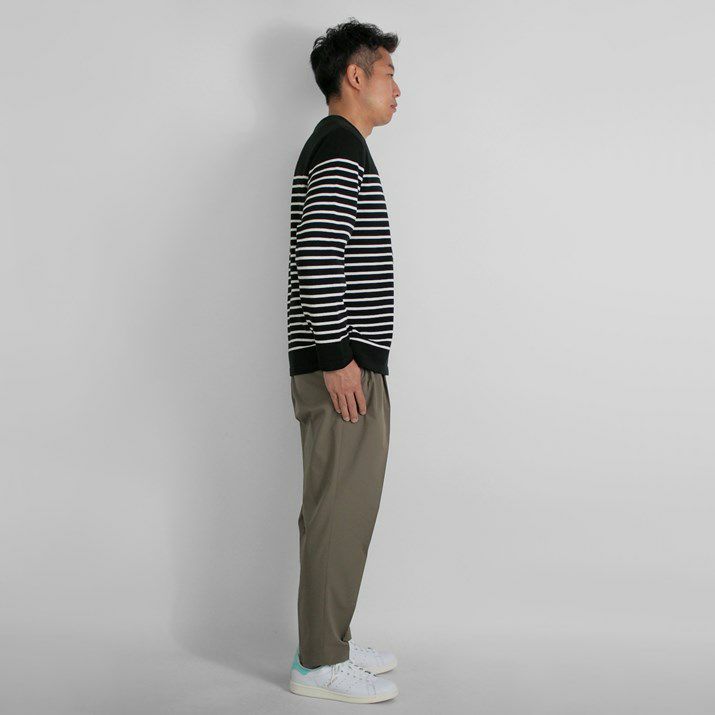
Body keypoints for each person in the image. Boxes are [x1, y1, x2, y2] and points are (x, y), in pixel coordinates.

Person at [285, 19, 402, 704]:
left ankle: (331, 638)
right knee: (338, 509)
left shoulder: (340, 146)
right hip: (342, 365)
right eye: (388, 73)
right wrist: (337, 357)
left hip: (347, 360)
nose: (397, 88)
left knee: (344, 508)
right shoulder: (338, 146)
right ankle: (319, 662)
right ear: (354, 76)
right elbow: (319, 254)